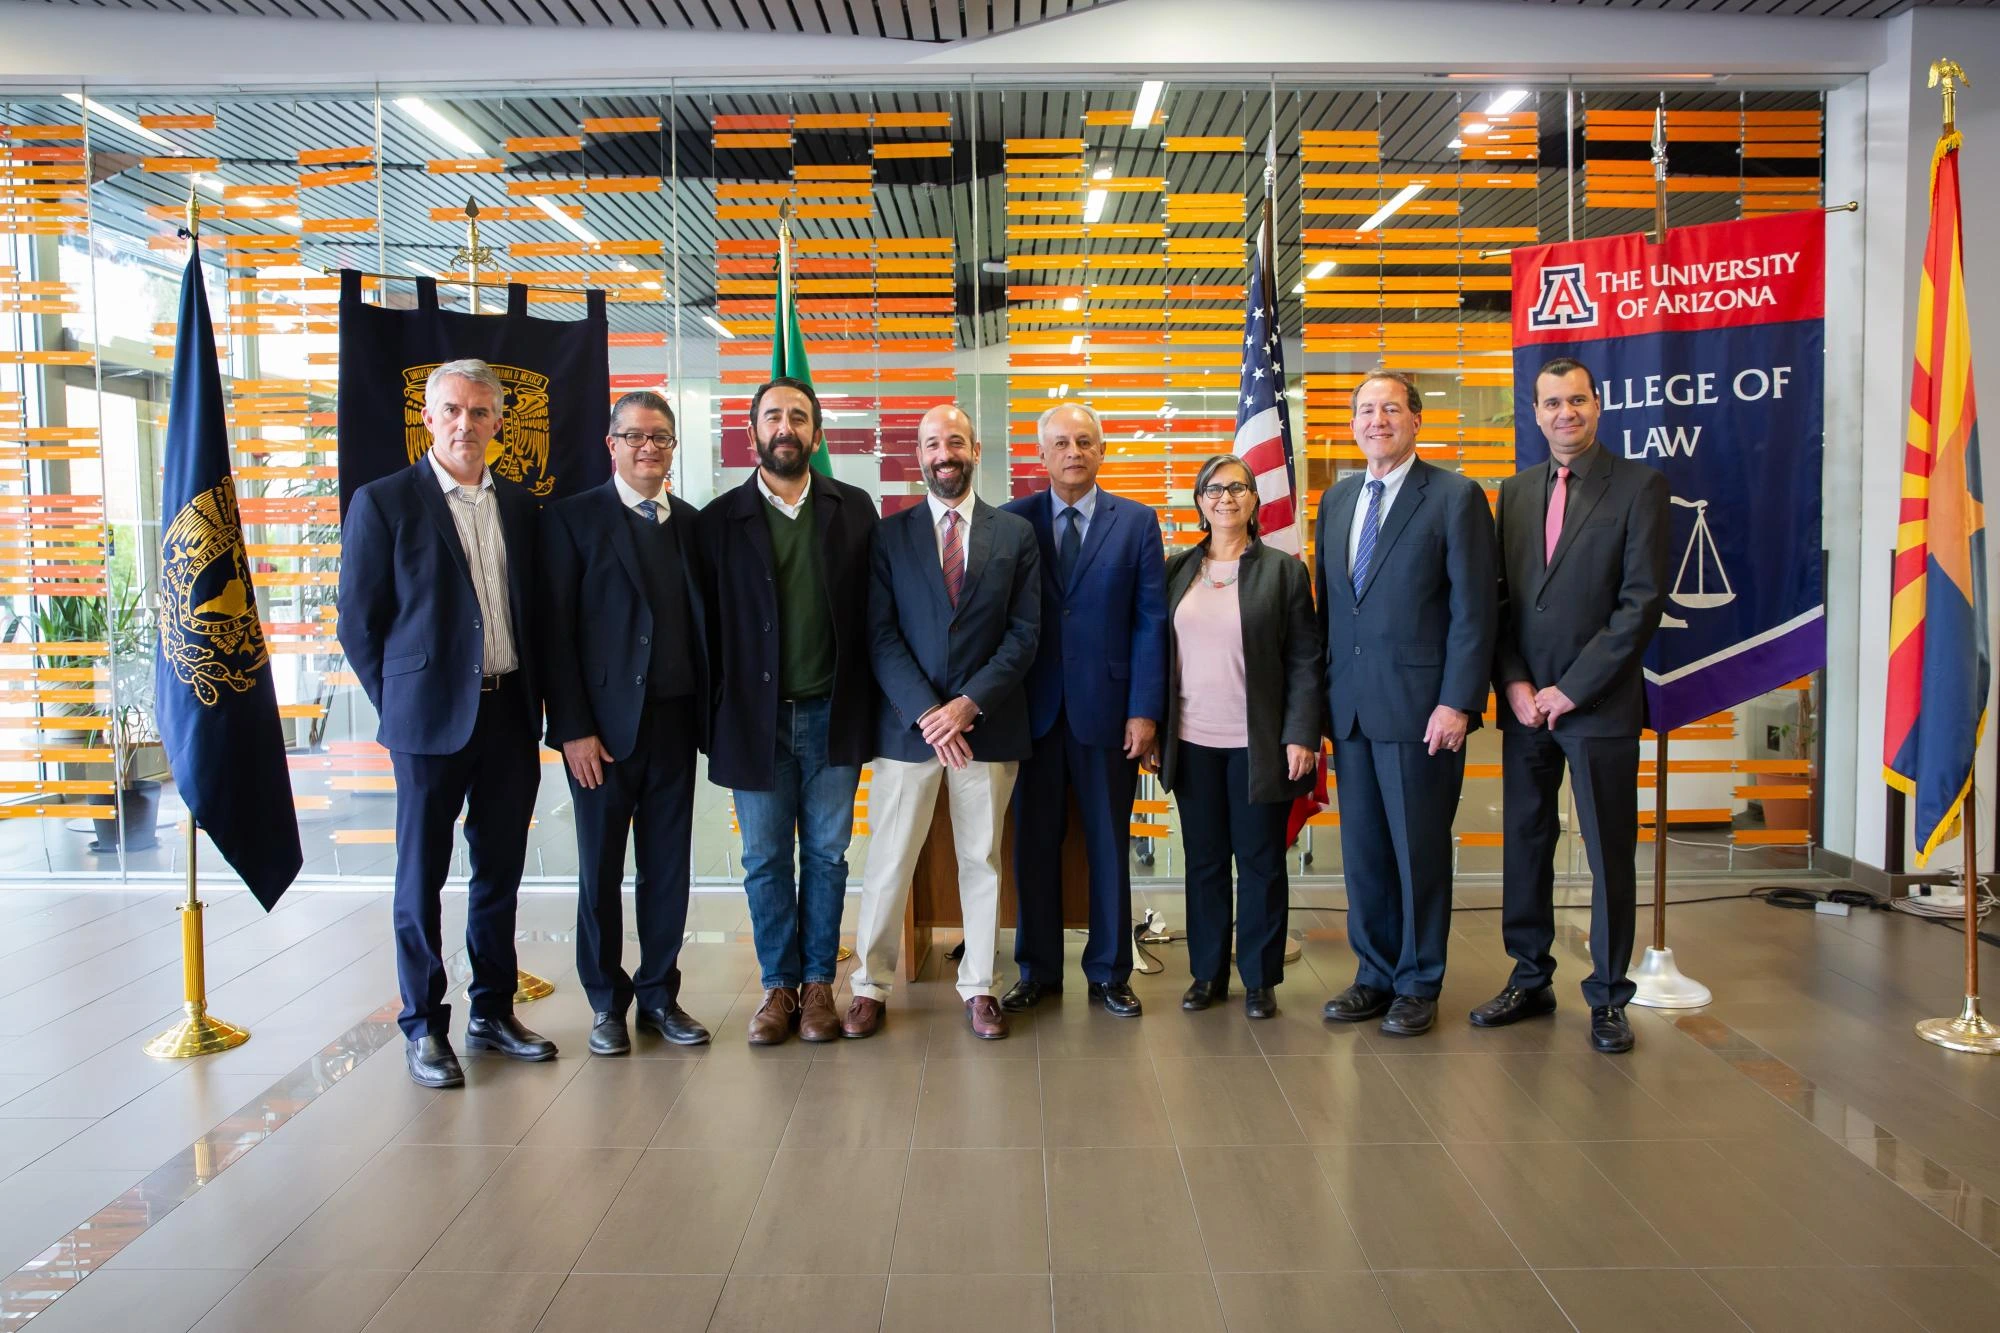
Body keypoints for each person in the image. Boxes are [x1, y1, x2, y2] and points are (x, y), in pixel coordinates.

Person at [338, 358, 557, 1088]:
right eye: (453, 411)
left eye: (480, 412)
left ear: (498, 422)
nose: (467, 424)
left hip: (509, 713)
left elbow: (540, 615)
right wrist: (400, 700)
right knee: (420, 878)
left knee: (498, 874)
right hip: (427, 725)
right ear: (429, 419)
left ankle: (491, 1011)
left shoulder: (524, 509)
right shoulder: (385, 502)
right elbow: (359, 625)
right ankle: (423, 1024)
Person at [1474, 357, 1670, 1055]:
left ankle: (1610, 995)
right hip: (1527, 705)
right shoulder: (1517, 491)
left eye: (1577, 400)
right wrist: (1519, 683)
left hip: (1599, 704)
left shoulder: (1640, 486)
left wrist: (1571, 687)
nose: (1566, 413)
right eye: (1552, 402)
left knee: (1608, 850)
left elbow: (1640, 602)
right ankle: (1529, 976)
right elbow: (1500, 599)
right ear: (1535, 411)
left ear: (1598, 404)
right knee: (1525, 843)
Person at [844, 403, 1041, 1041]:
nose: (944, 454)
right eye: (932, 444)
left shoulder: (1014, 534)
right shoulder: (888, 534)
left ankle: (979, 985)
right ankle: (870, 985)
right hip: (909, 728)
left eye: (954, 441)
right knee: (889, 858)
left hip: (989, 724)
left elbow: (1024, 633)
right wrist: (930, 712)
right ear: (920, 456)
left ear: (975, 450)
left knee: (981, 859)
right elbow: (877, 634)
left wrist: (967, 705)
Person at [1314, 368, 1497, 1039]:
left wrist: (1457, 702)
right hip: (1352, 709)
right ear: (1353, 423)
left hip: (1424, 711)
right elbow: (1330, 611)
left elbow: (1474, 612)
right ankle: (1374, 972)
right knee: (1364, 851)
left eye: (1391, 408)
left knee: (1417, 850)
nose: (1377, 420)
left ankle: (1420, 980)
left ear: (1417, 419)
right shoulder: (1336, 501)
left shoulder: (1454, 497)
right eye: (1365, 409)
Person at [698, 377, 879, 1045]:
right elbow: (704, 629)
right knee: (766, 858)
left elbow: (875, 618)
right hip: (754, 720)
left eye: (798, 417)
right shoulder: (718, 521)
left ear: (817, 434)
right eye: (773, 416)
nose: (786, 427)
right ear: (753, 433)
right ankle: (777, 985)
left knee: (828, 856)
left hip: (835, 714)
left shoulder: (854, 509)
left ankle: (817, 987)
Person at [540, 391, 711, 1057]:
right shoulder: (573, 520)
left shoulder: (691, 524)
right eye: (635, 435)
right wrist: (573, 727)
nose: (649, 447)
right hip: (600, 736)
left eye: (661, 437)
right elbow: (554, 633)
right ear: (611, 444)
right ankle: (607, 1001)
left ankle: (660, 994)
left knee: (668, 869)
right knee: (601, 871)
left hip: (674, 724)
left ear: (672, 447)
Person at [998, 402, 1167, 1018]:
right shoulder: (1012, 521)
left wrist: (1145, 710)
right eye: (1061, 443)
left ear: (1102, 451)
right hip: (1032, 713)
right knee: (1033, 845)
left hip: (1110, 711)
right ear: (1041, 456)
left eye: (1085, 441)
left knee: (1107, 844)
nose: (1074, 452)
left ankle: (1109, 972)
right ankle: (1037, 970)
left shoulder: (1137, 522)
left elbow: (1152, 620)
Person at [1150, 455, 1320, 1019]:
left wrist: (1301, 734)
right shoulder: (1178, 569)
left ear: (1254, 499)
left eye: (1238, 488)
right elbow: (1157, 657)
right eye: (1214, 489)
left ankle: (1260, 979)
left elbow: (1303, 660)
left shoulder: (1283, 571)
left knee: (1261, 862)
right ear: (1199, 500)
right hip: (1193, 742)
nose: (1226, 498)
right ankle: (1207, 975)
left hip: (1260, 745)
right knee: (1202, 862)